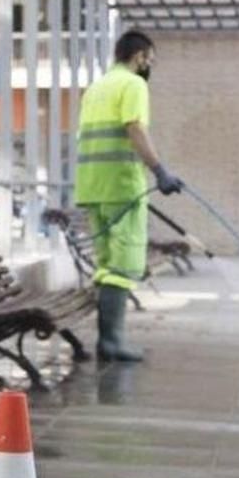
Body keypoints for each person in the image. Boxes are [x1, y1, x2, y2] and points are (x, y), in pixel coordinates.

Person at [72, 30, 183, 362]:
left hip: (93, 186)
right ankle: (111, 342)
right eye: (149, 59)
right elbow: (134, 127)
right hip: (121, 186)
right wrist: (160, 170)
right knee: (124, 262)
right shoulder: (133, 85)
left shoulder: (96, 87)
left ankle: (109, 340)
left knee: (106, 263)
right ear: (139, 57)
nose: (150, 65)